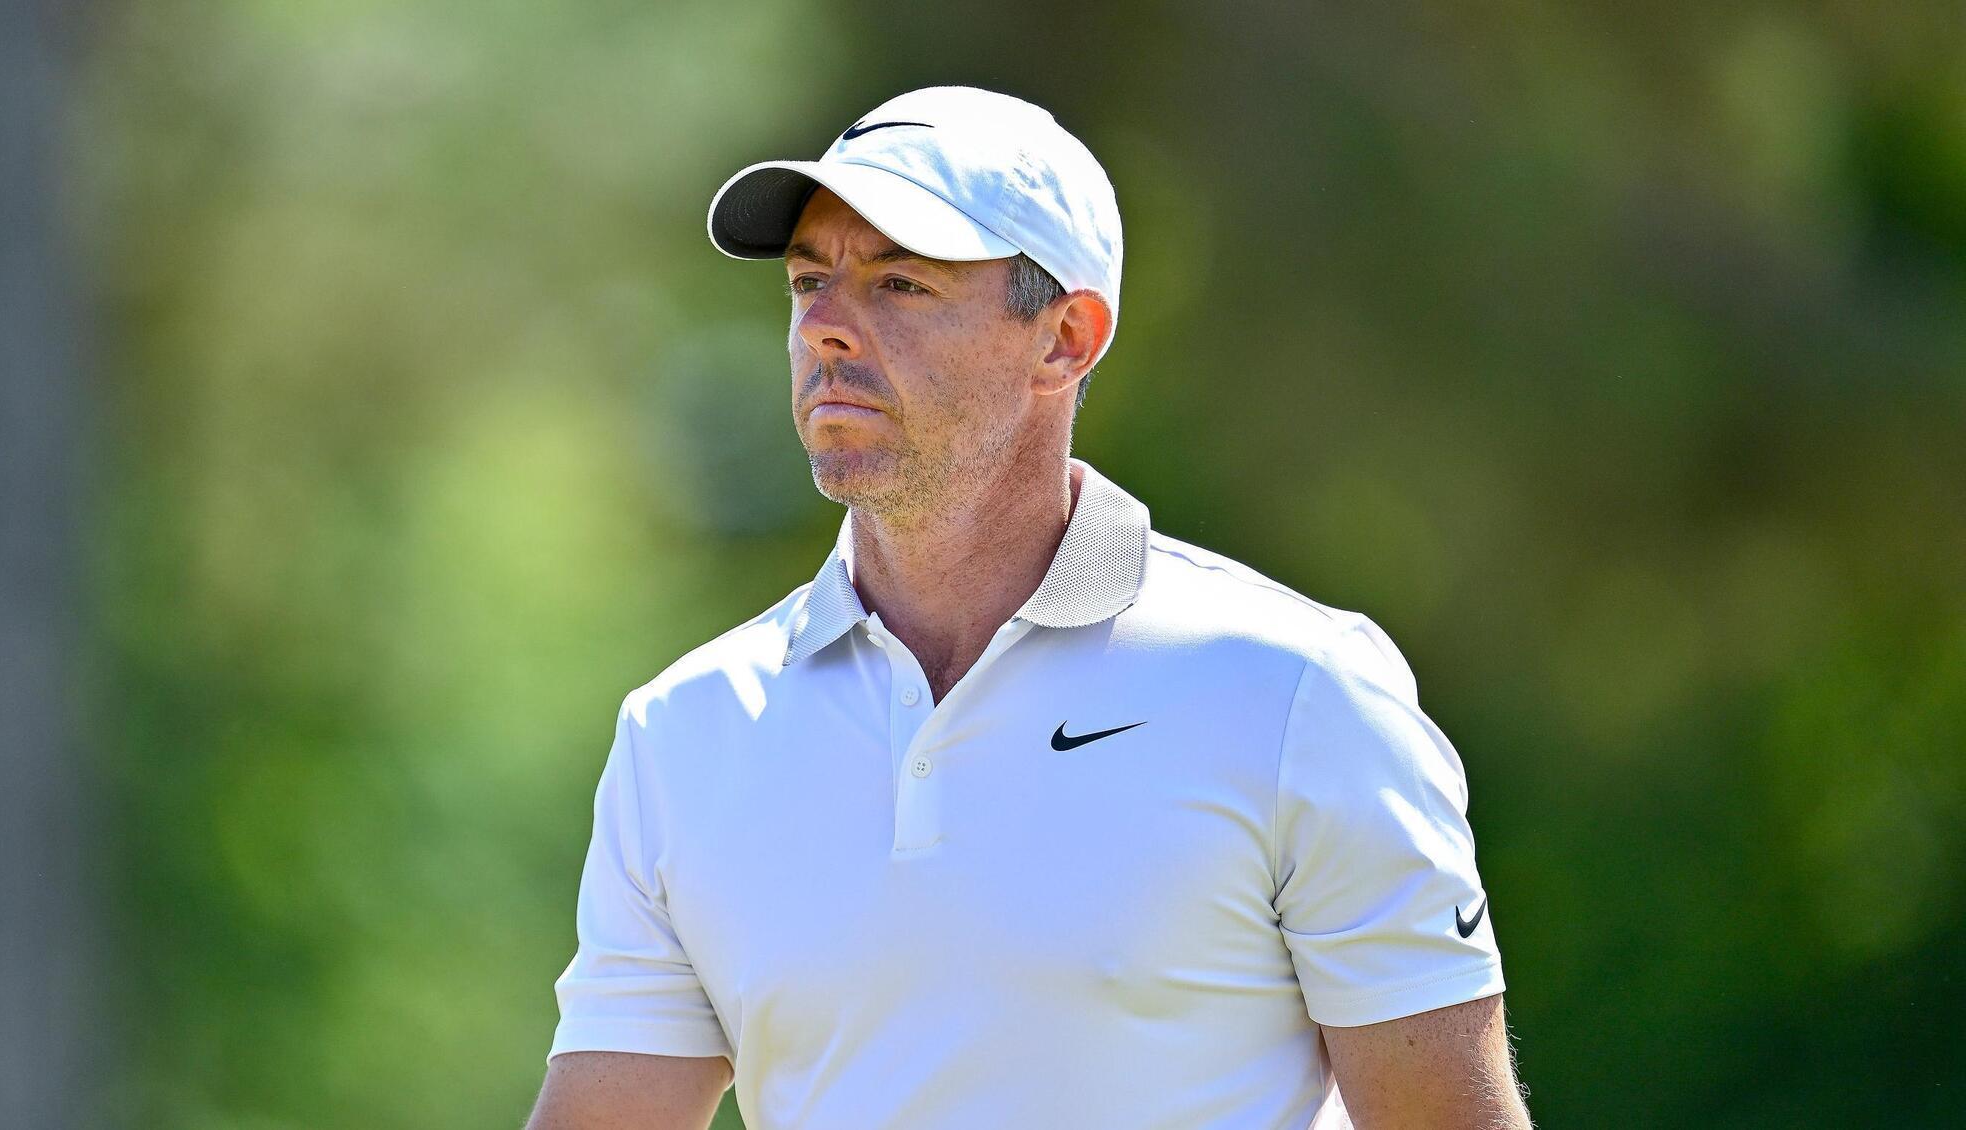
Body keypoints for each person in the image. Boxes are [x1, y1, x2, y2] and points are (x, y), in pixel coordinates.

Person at [524, 85, 1531, 1130]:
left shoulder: (1298, 692)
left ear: (1065, 338)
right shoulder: (683, 731)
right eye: (808, 281)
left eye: (899, 283)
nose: (823, 328)